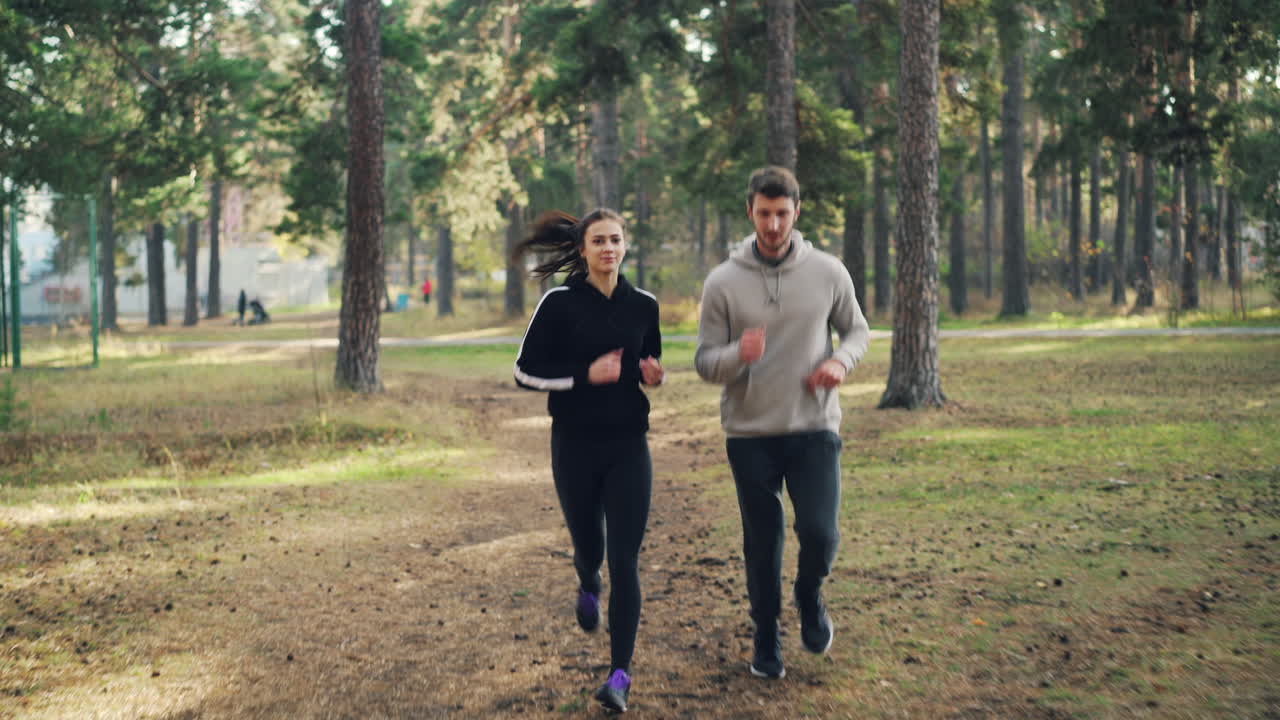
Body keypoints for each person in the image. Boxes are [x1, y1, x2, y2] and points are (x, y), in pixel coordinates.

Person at [695, 166, 870, 679]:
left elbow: (857, 331)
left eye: (782, 214)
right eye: (764, 213)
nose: (773, 224)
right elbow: (705, 361)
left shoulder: (828, 271)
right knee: (762, 541)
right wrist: (737, 355)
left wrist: (840, 363)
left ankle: (809, 593)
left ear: (797, 212)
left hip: (814, 426)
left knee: (820, 533)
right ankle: (766, 636)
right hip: (750, 434)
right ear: (750, 211)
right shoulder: (723, 282)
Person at [513, 208, 664, 713]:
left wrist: (652, 375)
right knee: (589, 547)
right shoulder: (558, 304)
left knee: (626, 561)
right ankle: (585, 579)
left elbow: (648, 362)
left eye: (615, 240)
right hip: (574, 446)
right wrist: (584, 374)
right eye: (597, 240)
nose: (607, 248)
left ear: (625, 246)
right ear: (582, 249)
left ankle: (620, 673)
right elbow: (524, 372)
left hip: (628, 447)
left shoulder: (644, 305)